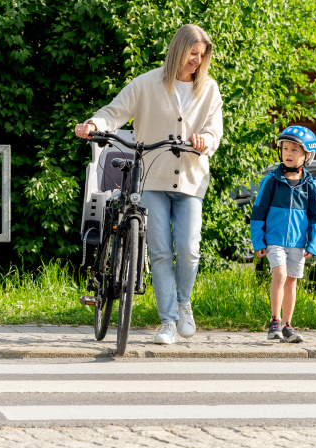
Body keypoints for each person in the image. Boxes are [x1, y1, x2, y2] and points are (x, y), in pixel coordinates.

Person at [74, 24, 223, 345]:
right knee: (158, 251)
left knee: (188, 248)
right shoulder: (146, 84)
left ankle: (184, 303)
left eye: (201, 55)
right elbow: (115, 112)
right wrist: (94, 124)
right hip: (152, 179)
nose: (197, 60)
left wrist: (204, 139)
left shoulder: (209, 89)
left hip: (191, 180)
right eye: (192, 53)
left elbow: (215, 131)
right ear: (177, 51)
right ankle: (168, 321)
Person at [250, 126, 316, 343]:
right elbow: (258, 214)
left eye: (294, 150)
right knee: (280, 275)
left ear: (307, 155)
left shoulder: (310, 186)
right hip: (274, 240)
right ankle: (275, 319)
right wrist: (258, 240)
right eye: (285, 148)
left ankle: (287, 326)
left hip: (298, 243)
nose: (288, 153)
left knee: (291, 281)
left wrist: (313, 244)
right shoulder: (271, 182)